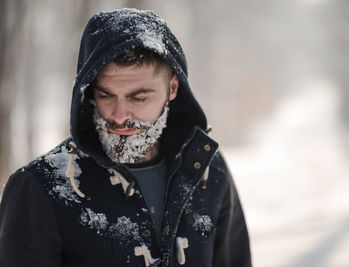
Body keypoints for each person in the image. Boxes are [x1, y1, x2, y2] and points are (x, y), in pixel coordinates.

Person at [0, 8, 251, 267]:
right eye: (106, 95)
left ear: (172, 89)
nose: (119, 116)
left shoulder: (207, 171)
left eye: (139, 98)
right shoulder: (41, 189)